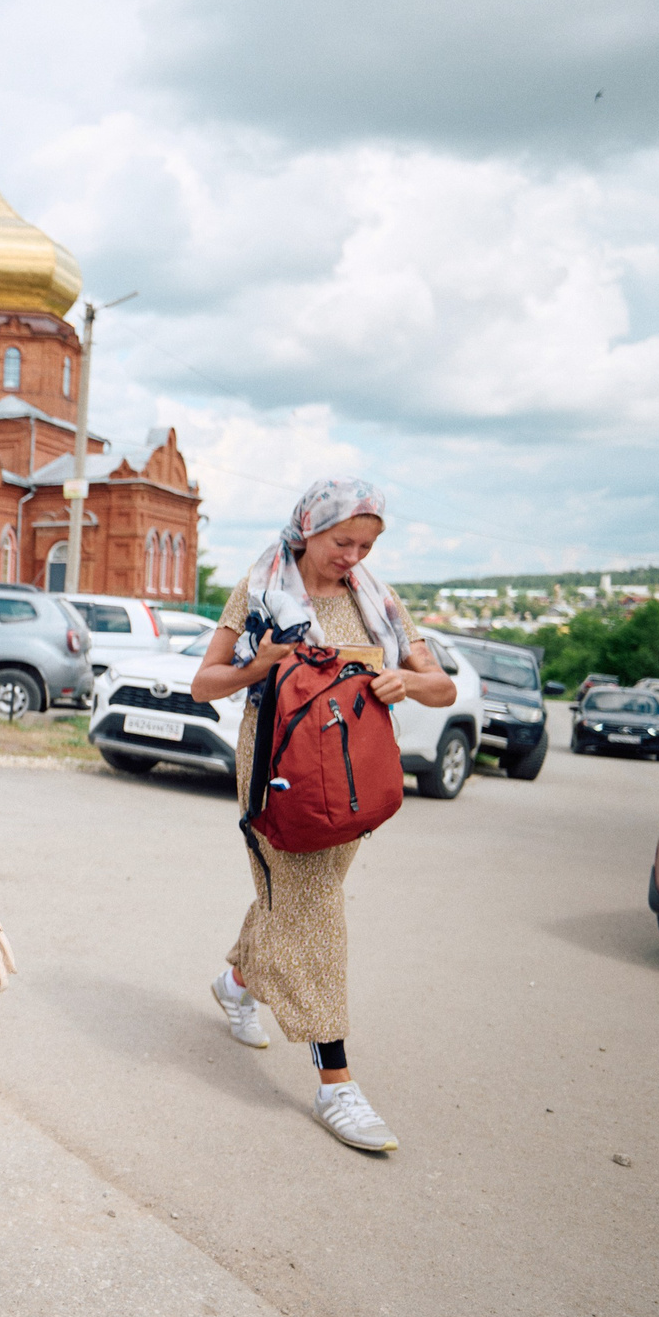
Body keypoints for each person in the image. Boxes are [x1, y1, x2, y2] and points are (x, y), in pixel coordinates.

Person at [188, 477, 456, 1154]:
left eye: (365, 545)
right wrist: (261, 665)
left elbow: (441, 684)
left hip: (353, 767)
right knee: (313, 905)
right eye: (343, 542)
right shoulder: (260, 591)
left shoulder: (377, 600)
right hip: (278, 766)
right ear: (308, 528)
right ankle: (336, 1080)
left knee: (307, 896)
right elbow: (204, 682)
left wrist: (408, 682)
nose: (353, 556)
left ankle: (237, 982)